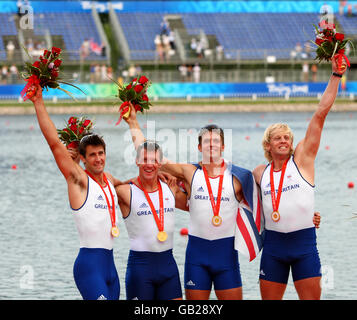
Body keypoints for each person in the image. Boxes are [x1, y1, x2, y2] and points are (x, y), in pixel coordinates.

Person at [123, 107, 263, 300]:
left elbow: (269, 200)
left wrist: (308, 218)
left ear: (223, 146)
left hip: (227, 258)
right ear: (199, 147)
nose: (211, 145)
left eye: (216, 141)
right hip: (197, 258)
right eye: (207, 141)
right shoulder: (190, 172)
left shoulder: (239, 177)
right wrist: (133, 123)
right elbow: (150, 156)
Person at [252, 55, 347, 300]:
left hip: (304, 246)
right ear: (268, 145)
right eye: (278, 138)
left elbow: (320, 114)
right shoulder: (259, 173)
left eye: (287, 138)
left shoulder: (302, 160)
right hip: (273, 249)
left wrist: (336, 75)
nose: (284, 141)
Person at [29, 84, 122, 300]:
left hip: (111, 267)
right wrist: (39, 103)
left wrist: (163, 176)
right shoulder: (79, 180)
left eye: (101, 153)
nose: (98, 159)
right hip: (89, 267)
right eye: (92, 155)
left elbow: (130, 184)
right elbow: (54, 144)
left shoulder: (109, 180)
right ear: (83, 158)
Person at [114, 139, 188, 300]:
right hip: (141, 269)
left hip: (168, 266)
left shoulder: (170, 188)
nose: (149, 165)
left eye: (154, 160)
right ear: (136, 161)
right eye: (145, 160)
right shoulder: (125, 192)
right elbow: (102, 187)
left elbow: (194, 204)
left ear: (160, 163)